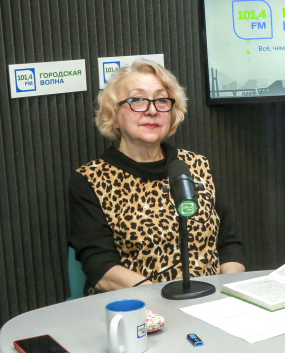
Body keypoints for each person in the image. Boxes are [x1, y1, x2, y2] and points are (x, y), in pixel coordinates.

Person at [69, 59, 245, 293]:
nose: (152, 110)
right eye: (137, 100)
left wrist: (229, 293)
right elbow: (101, 269)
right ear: (114, 115)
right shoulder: (91, 179)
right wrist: (162, 300)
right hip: (139, 306)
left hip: (209, 300)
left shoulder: (196, 166)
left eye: (161, 101)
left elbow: (229, 245)